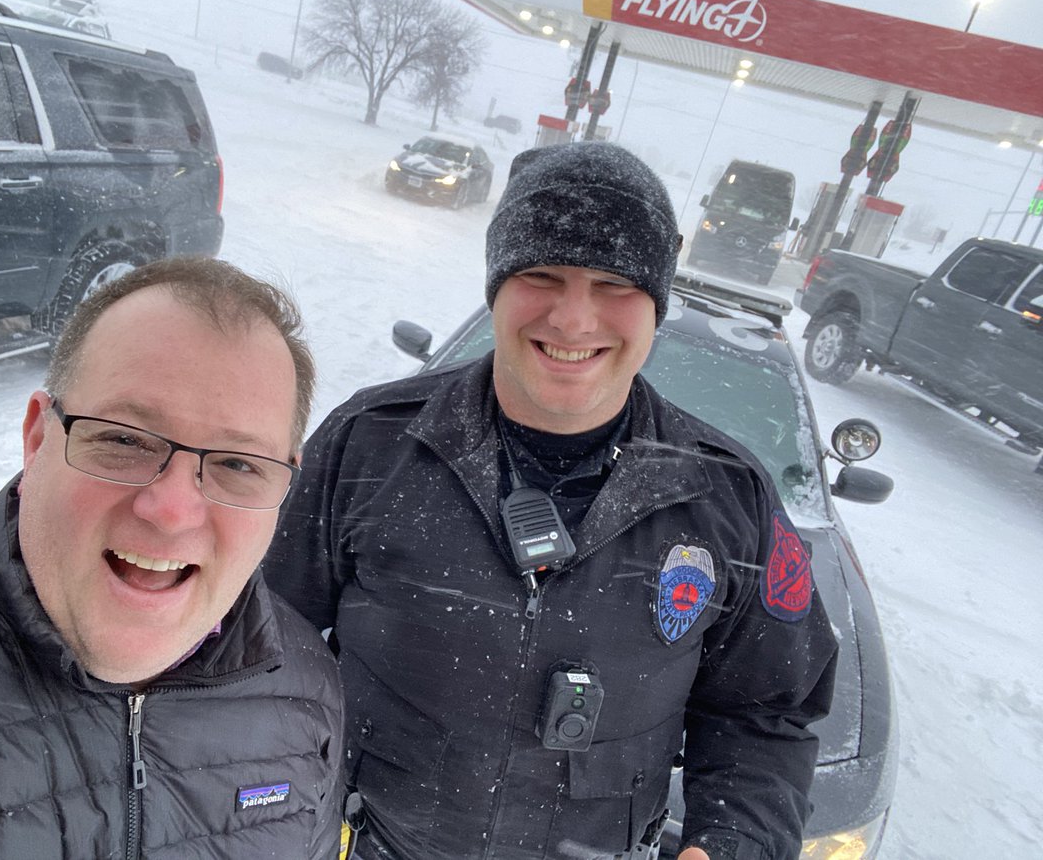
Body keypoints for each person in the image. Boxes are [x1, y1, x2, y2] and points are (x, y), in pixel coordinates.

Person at [263, 142, 839, 860]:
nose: (573, 319)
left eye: (615, 283)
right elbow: (254, 640)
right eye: (541, 274)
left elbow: (766, 715)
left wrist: (734, 842)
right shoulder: (370, 446)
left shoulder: (729, 500)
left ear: (656, 304)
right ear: (496, 288)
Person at [0, 258, 344, 859]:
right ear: (37, 438)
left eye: (239, 465)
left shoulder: (307, 691)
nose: (172, 510)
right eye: (123, 439)